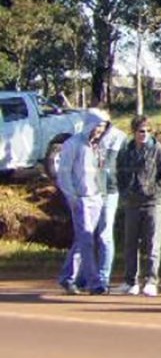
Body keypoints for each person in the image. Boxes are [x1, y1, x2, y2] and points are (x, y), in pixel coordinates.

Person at [115, 116, 161, 297]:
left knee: (152, 244)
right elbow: (119, 173)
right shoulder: (126, 151)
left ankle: (151, 280)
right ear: (134, 132)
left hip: (152, 204)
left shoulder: (158, 150)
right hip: (132, 203)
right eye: (141, 131)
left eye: (148, 131)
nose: (145, 134)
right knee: (130, 244)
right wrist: (124, 191)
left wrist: (155, 190)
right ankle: (130, 281)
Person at [56, 109, 112, 295]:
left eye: (103, 127)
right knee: (87, 241)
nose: (100, 130)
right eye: (98, 126)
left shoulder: (99, 145)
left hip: (97, 198)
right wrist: (72, 197)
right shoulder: (72, 144)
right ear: (89, 124)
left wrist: (103, 194)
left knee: (82, 240)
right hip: (81, 199)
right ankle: (94, 283)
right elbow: (63, 174)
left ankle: (67, 278)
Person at [93, 119, 128, 294]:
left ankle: (102, 279)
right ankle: (85, 277)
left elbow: (121, 167)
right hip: (90, 192)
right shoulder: (87, 135)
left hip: (110, 191)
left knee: (104, 234)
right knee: (86, 235)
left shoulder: (118, 137)